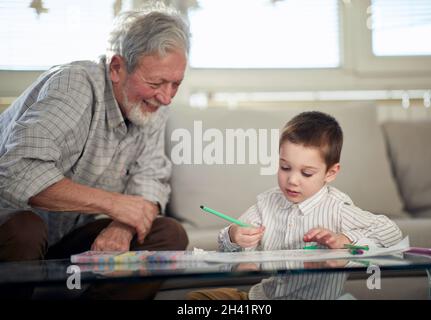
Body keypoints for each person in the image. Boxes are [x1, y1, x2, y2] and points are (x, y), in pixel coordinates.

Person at [0, 5, 190, 299]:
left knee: (169, 234)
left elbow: (151, 178)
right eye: (155, 83)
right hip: (14, 233)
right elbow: (20, 171)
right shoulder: (74, 86)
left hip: (67, 237)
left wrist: (123, 225)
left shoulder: (153, 105)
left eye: (175, 84)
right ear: (117, 68)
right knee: (27, 229)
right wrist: (115, 204)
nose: (166, 97)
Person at [187, 111, 403, 300]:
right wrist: (234, 235)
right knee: (195, 300)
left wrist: (345, 240)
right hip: (260, 298)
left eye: (306, 173)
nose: (292, 180)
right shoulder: (267, 203)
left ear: (331, 173)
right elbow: (228, 251)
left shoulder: (337, 208)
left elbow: (391, 232)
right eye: (285, 167)